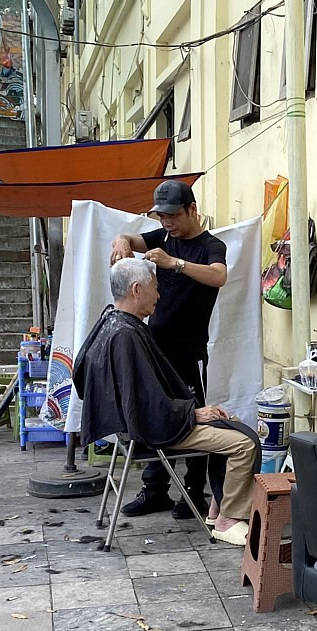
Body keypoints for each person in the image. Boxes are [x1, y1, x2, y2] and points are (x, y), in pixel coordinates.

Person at [72, 258, 257, 543]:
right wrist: (193, 414)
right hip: (152, 429)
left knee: (229, 423)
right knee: (244, 443)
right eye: (155, 288)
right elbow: (148, 406)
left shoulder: (110, 321)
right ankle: (228, 520)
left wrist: (194, 410)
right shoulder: (125, 335)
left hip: (136, 426)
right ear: (137, 289)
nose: (159, 295)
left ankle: (218, 507)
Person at [109, 180, 229, 521]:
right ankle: (154, 488)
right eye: (161, 217)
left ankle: (193, 491)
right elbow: (132, 239)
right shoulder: (162, 235)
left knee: (194, 416)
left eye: (173, 216)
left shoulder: (210, 246)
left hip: (188, 350)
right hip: (154, 346)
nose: (167, 224)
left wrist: (174, 263)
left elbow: (219, 276)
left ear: (192, 209)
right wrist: (122, 241)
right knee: (153, 412)